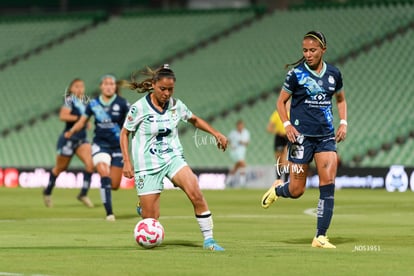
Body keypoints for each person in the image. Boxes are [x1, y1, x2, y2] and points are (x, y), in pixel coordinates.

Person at [119, 64, 228, 251]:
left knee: (195, 190)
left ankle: (209, 240)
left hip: (172, 157)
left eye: (170, 89)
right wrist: (127, 162)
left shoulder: (176, 105)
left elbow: (194, 119)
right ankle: (143, 207)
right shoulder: (139, 108)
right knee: (151, 218)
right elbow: (124, 133)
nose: (167, 93)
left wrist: (216, 133)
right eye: (163, 89)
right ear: (153, 85)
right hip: (147, 164)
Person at [261, 31, 347, 249]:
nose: (308, 54)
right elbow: (280, 103)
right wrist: (287, 125)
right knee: (297, 190)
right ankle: (279, 189)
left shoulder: (334, 74)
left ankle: (320, 236)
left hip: (326, 137)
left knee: (327, 184)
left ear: (323, 50)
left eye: (313, 50)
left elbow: (340, 99)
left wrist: (344, 122)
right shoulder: (295, 74)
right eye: (305, 50)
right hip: (300, 140)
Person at [65, 75, 130, 221]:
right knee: (103, 173)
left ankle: (107, 201)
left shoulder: (123, 103)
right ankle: (109, 214)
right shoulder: (93, 104)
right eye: (106, 84)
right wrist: (72, 131)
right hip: (100, 145)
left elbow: (134, 118)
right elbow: (82, 121)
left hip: (118, 147)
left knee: (114, 185)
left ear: (115, 87)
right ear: (101, 86)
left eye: (111, 84)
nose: (108, 86)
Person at [43, 78, 94, 208]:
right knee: (60, 168)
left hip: (81, 139)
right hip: (68, 138)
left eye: (82, 86)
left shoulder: (84, 102)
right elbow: (63, 116)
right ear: (71, 89)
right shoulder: (70, 101)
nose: (80, 89)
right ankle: (48, 191)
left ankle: (83, 193)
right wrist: (81, 120)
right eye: (76, 86)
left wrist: (86, 122)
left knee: (90, 164)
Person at [266, 101, 290, 182]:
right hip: (279, 137)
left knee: (286, 159)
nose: (288, 105)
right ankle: (278, 180)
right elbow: (269, 128)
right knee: (279, 160)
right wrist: (278, 131)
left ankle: (286, 181)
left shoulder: (292, 114)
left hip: (288, 137)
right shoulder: (276, 114)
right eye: (287, 103)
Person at [226, 119, 250, 187]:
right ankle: (242, 182)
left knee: (236, 167)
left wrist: (242, 142)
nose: (240, 126)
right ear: (237, 126)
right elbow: (228, 140)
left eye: (241, 125)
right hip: (235, 151)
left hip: (242, 151)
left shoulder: (246, 132)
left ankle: (228, 181)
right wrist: (231, 145)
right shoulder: (233, 133)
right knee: (242, 163)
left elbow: (247, 142)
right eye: (239, 125)